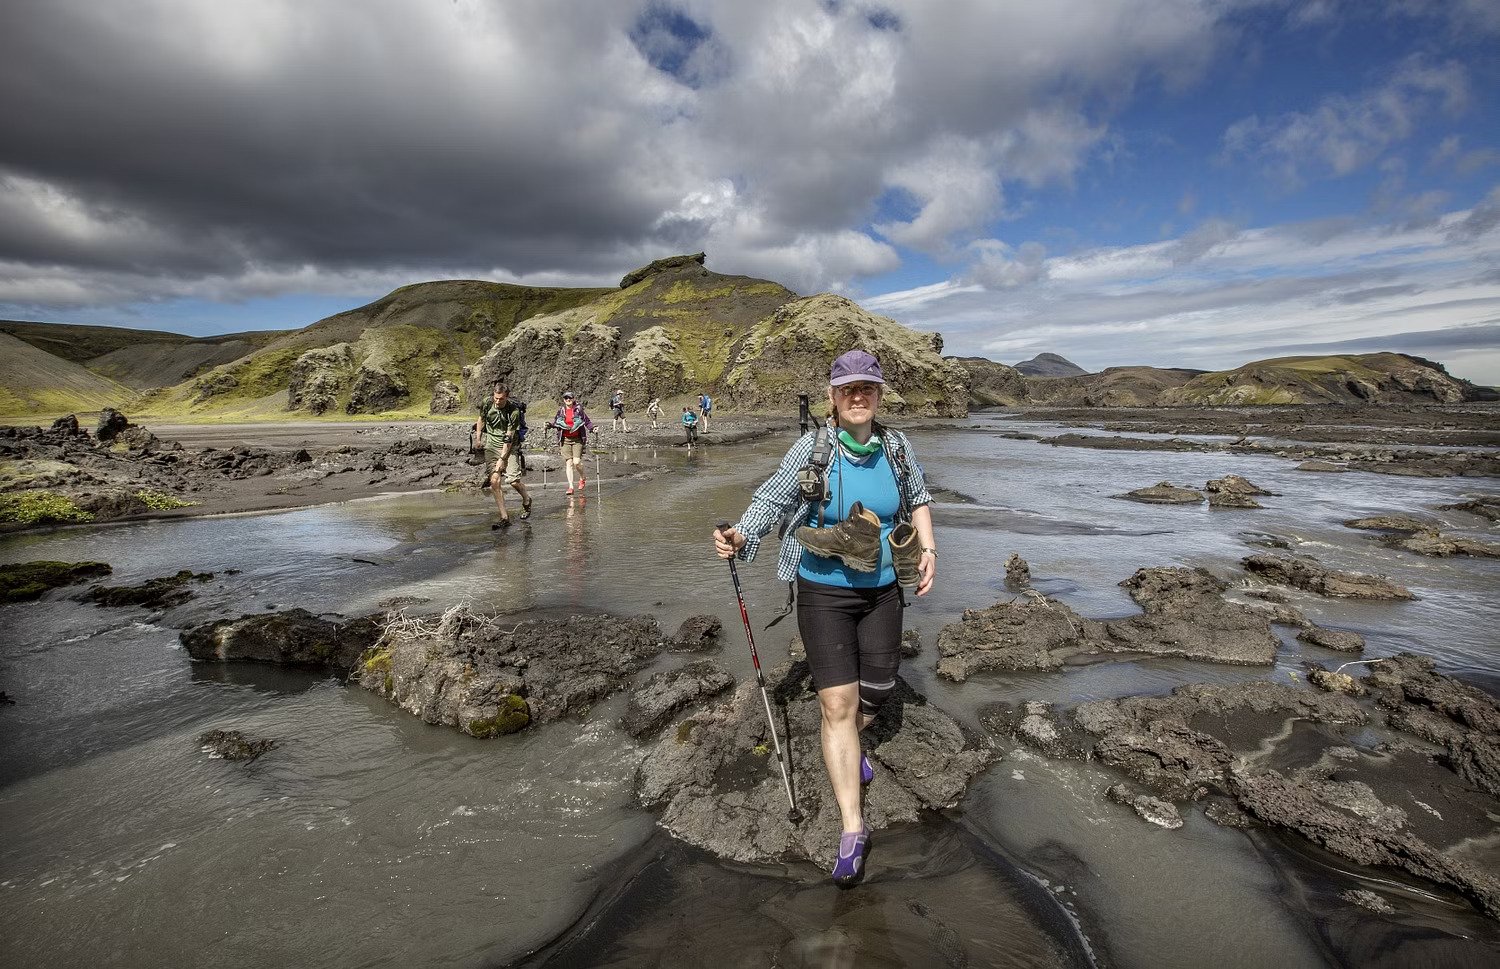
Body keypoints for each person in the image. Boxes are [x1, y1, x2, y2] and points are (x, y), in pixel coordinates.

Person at [712, 349, 936, 887]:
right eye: (847, 389)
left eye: (868, 388)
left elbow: (920, 499)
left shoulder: (899, 448)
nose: (858, 397)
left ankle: (854, 743)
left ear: (879, 395)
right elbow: (771, 499)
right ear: (832, 398)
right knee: (837, 703)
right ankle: (852, 828)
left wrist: (929, 549)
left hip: (884, 590)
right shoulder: (812, 450)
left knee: (877, 692)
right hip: (823, 590)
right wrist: (742, 536)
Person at [474, 381, 532, 528]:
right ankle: (504, 517)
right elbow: (481, 419)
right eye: (496, 398)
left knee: (513, 481)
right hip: (491, 445)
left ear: (507, 397)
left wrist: (502, 459)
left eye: (501, 399)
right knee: (494, 480)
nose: (498, 401)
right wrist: (479, 438)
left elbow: (509, 437)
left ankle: (526, 498)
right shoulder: (487, 403)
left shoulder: (513, 411)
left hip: (510, 446)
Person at [550, 390, 595, 496]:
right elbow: (556, 422)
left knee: (576, 462)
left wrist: (593, 429)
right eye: (566, 398)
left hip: (577, 439)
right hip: (565, 439)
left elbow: (587, 421)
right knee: (569, 463)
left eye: (570, 398)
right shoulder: (561, 410)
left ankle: (582, 477)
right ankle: (570, 486)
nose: (568, 400)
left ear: (573, 399)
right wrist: (549, 425)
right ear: (563, 400)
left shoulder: (578, 410)